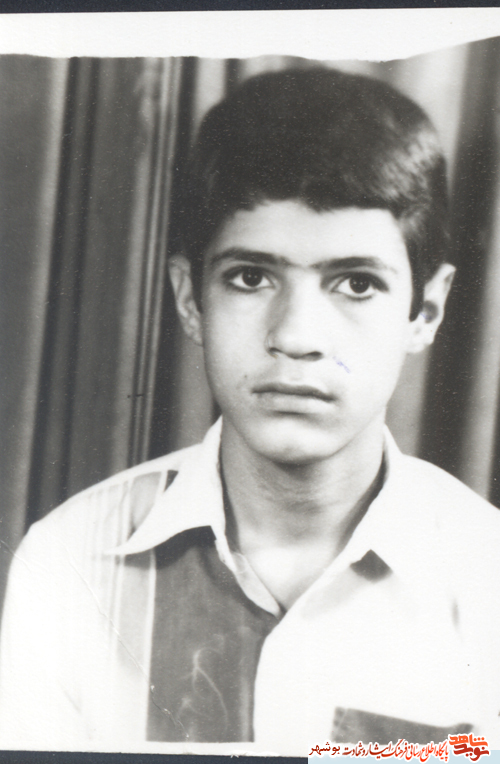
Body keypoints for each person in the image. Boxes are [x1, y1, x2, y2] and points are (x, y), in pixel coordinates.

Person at [1, 66, 500, 756]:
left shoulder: (487, 576)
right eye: (251, 277)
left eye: (356, 284)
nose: (295, 337)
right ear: (189, 299)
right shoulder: (70, 563)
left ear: (427, 311)